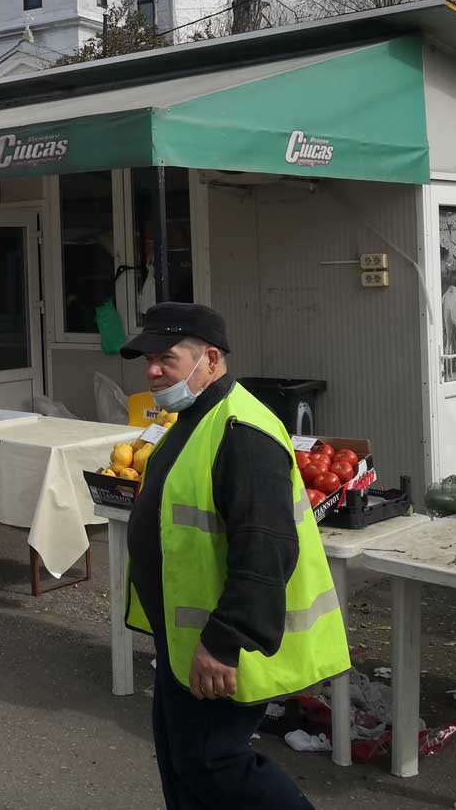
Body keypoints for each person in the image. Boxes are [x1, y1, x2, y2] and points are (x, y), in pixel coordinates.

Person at [120, 302, 348, 809]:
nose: (153, 370)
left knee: (215, 762)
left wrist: (225, 642)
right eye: (148, 359)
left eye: (167, 359)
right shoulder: (191, 417)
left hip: (217, 646)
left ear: (212, 359)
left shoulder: (242, 432)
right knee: (184, 763)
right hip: (180, 643)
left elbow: (265, 549)